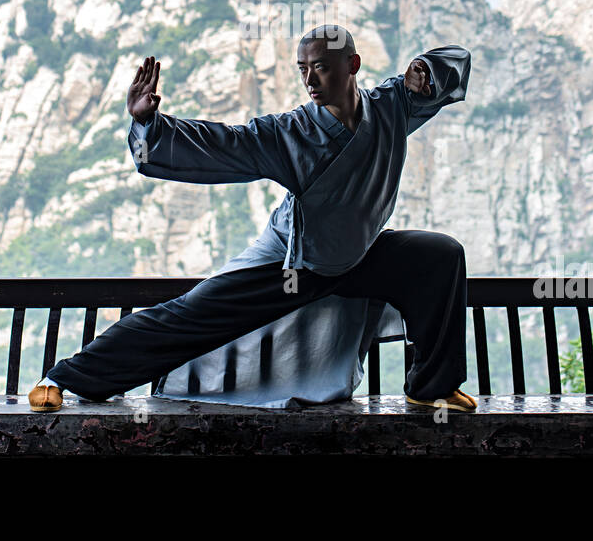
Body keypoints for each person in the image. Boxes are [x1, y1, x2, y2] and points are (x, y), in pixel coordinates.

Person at [28, 23, 476, 412]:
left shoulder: (391, 106)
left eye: (320, 66)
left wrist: (428, 68)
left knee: (439, 255)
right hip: (294, 263)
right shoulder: (292, 133)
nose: (309, 79)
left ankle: (431, 389)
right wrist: (151, 125)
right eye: (302, 68)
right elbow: (226, 142)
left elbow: (451, 68)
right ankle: (65, 378)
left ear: (353, 64)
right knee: (188, 316)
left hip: (359, 257)